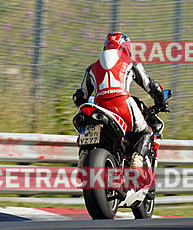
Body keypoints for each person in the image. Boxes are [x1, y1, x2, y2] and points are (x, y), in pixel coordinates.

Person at [72, 32, 167, 186]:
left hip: (98, 106)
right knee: (146, 132)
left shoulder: (92, 68)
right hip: (123, 104)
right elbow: (150, 85)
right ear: (124, 47)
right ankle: (137, 158)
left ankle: (84, 157)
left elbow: (80, 96)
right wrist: (161, 100)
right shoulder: (130, 62)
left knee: (88, 127)